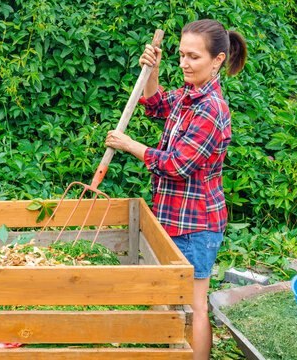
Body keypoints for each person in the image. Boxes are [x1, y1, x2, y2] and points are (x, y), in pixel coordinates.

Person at [105, 19, 247, 360]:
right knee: (166, 295)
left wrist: (130, 145)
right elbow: (154, 104)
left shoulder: (211, 109)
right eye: (181, 55)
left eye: (193, 57)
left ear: (216, 61)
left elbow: (177, 166)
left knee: (195, 305)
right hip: (171, 215)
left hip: (197, 225)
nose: (184, 63)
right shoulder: (188, 96)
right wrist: (151, 71)